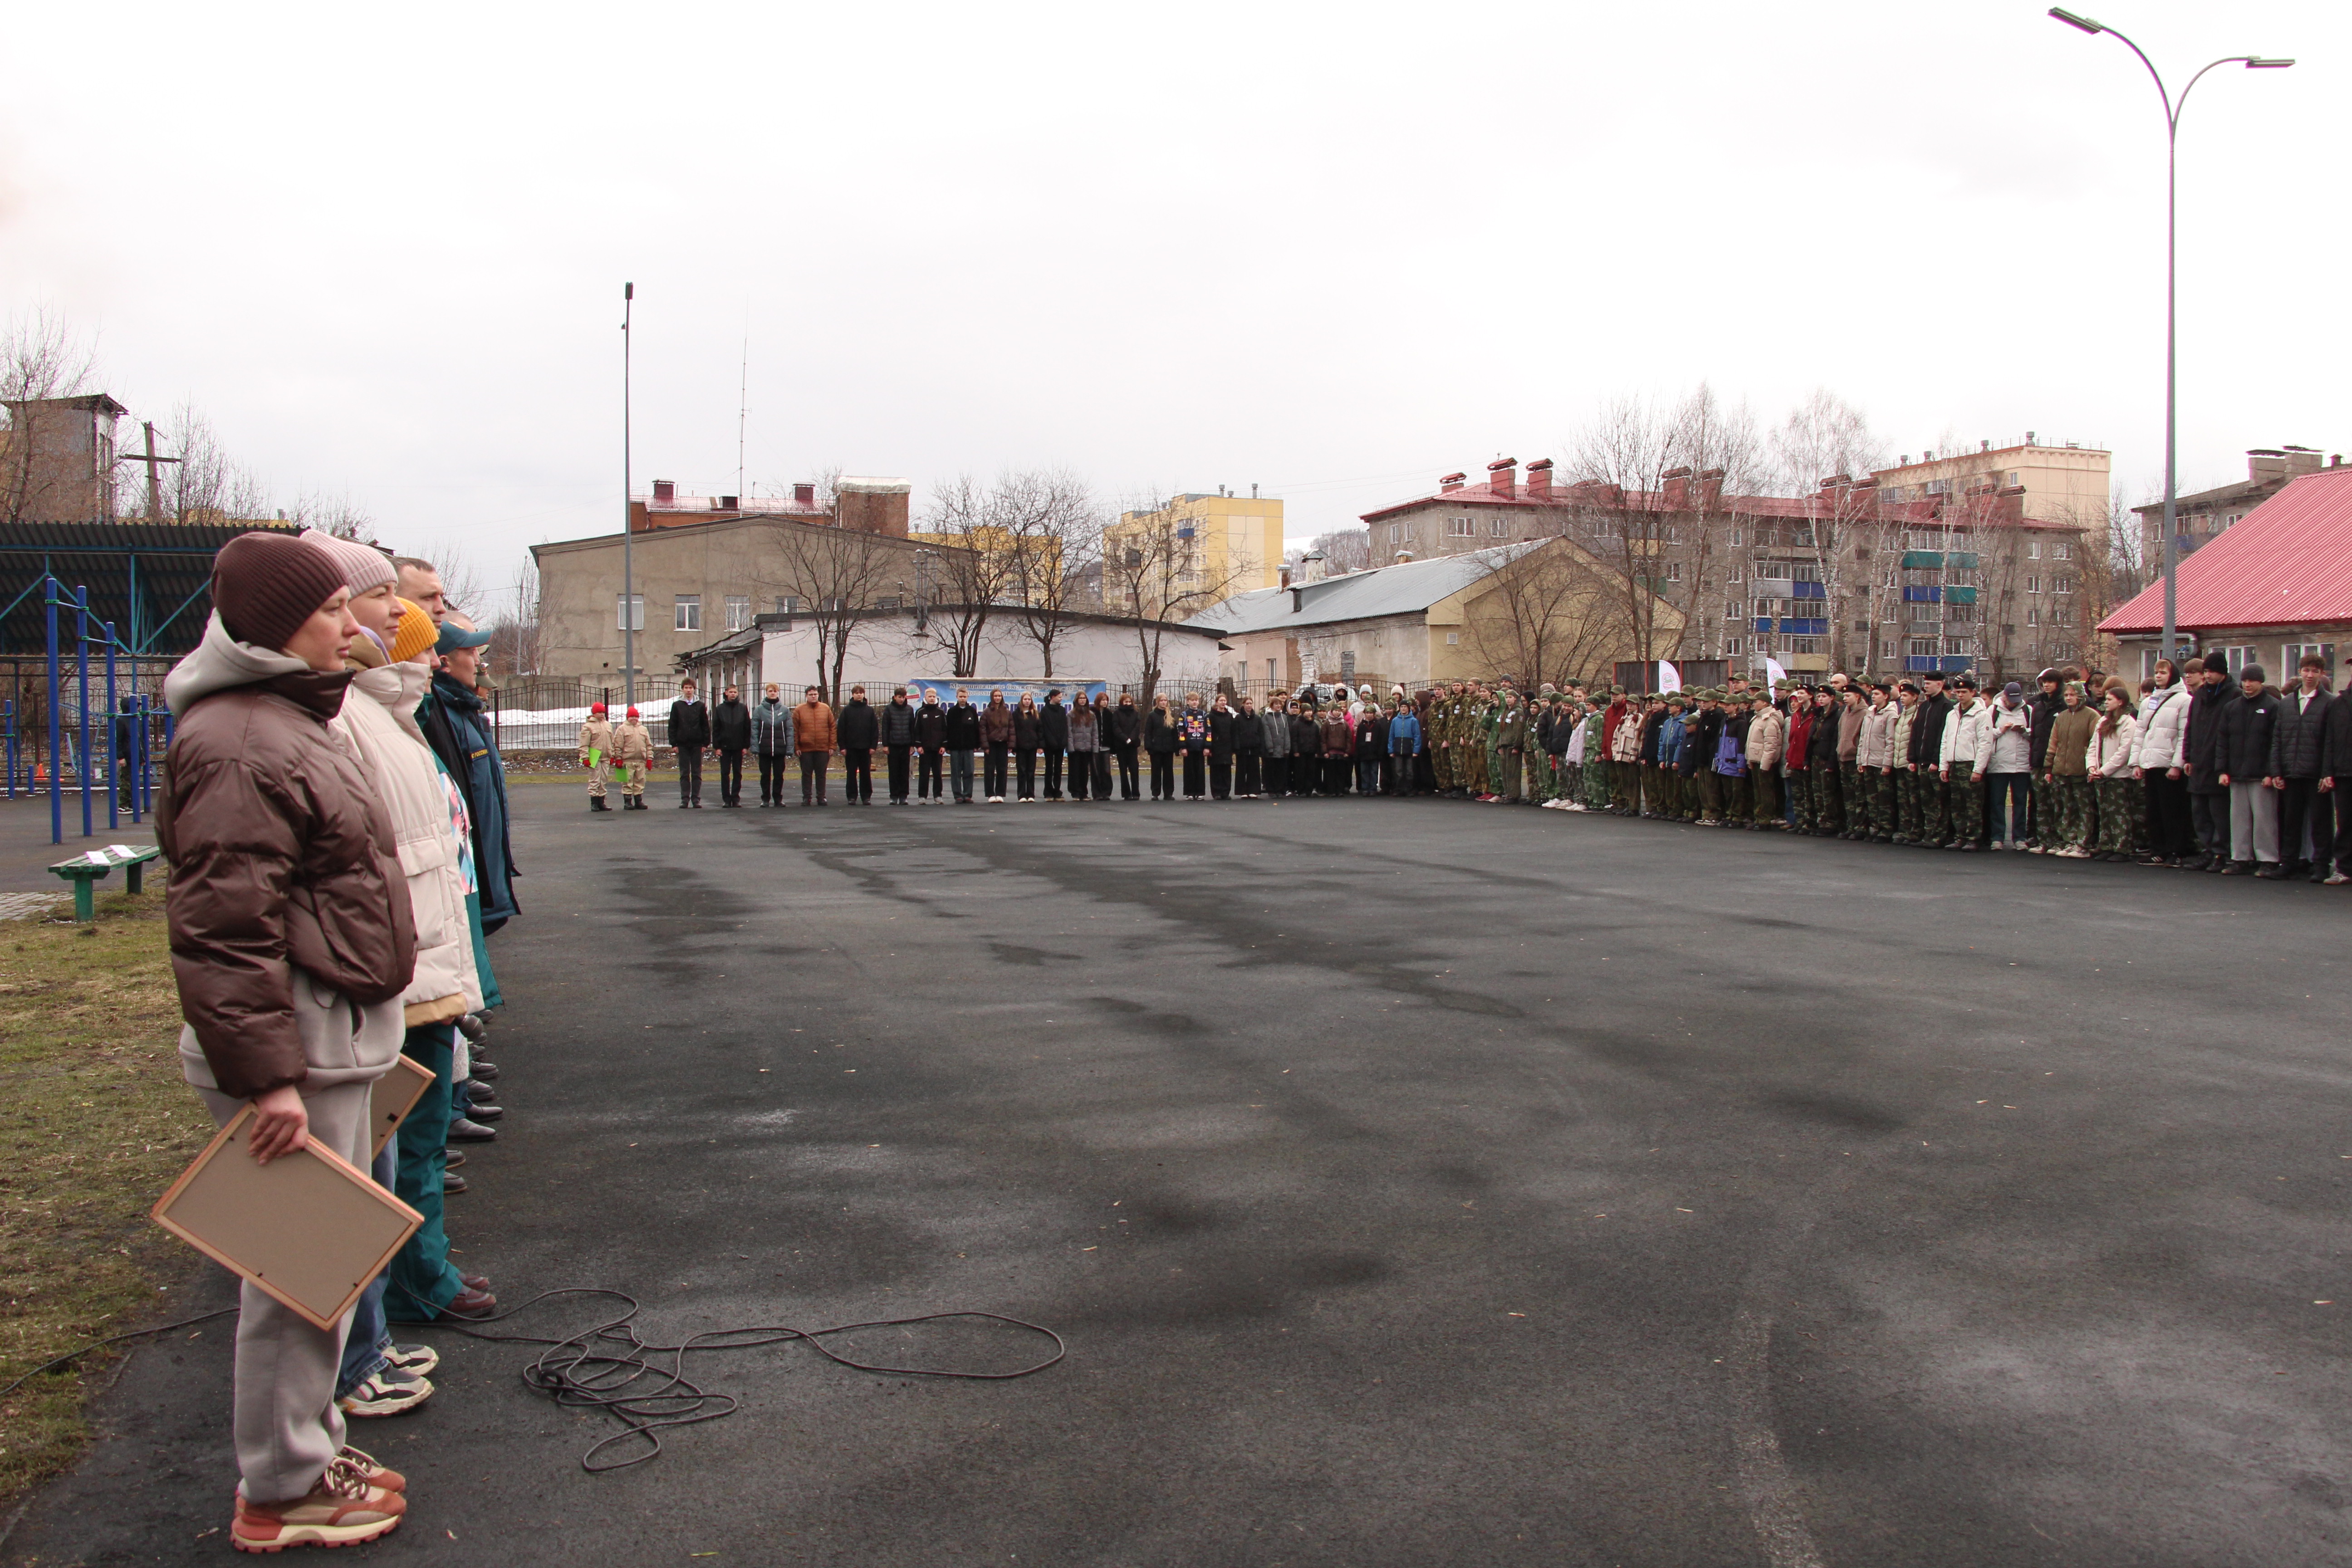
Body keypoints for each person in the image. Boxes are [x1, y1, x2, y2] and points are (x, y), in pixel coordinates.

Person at [159, 532, 415, 1550]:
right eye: (331, 611)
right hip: (296, 1055)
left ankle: (304, 1448)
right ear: (275, 625)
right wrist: (270, 1082)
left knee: (324, 1269)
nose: (353, 626)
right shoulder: (240, 740)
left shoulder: (282, 719)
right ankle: (282, 1488)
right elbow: (226, 930)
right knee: (300, 1276)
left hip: (322, 1041)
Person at [419, 616, 517, 929]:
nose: (479, 662)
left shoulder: (464, 712)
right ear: (445, 662)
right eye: (470, 652)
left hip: (483, 879)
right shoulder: (439, 715)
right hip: (468, 881)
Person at [2269, 653, 2334, 881]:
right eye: (2306, 670)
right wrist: (2277, 771)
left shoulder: (2330, 702)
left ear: (2322, 674)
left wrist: (2327, 773)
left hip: (2316, 774)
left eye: (2315, 671)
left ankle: (2321, 866)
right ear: (2299, 672)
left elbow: (2331, 742)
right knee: (2291, 822)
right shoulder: (2287, 703)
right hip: (2291, 771)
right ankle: (2288, 863)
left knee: (2321, 823)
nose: (2310, 675)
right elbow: (2278, 738)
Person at [2215, 663, 2283, 874]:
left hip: (2260, 775)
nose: (2247, 685)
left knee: (2264, 819)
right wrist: (2222, 770)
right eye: (2244, 680)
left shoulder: (2273, 706)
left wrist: (2271, 772)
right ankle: (2240, 858)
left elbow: (2275, 742)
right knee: (2238, 819)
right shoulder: (2232, 708)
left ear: (2261, 681)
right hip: (2236, 773)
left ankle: (2268, 859)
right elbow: (2223, 741)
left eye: (2252, 680)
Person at [2132, 660, 2195, 865]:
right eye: (2156, 672)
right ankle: (2158, 849)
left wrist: (2177, 765)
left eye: (2163, 673)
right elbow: (2140, 733)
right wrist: (2136, 762)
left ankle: (2176, 850)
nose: (2158, 676)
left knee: (2173, 811)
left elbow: (2184, 735)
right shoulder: (2148, 702)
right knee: (2154, 810)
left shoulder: (2184, 700)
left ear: (2172, 675)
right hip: (2151, 763)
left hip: (2169, 765)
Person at [2183, 655, 2234, 866]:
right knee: (2200, 812)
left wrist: (2225, 765)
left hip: (2218, 763)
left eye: (2212, 671)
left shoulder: (2233, 695)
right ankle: (2207, 850)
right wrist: (2187, 756)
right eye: (2206, 671)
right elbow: (2191, 728)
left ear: (2223, 672)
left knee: (2219, 813)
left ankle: (2221, 852)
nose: (2208, 675)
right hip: (2198, 762)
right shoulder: (2200, 696)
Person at [2086, 681, 2142, 862]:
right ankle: (2107, 844)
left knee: (2120, 812)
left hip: (2119, 777)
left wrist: (2104, 771)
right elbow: (2093, 746)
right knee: (2105, 813)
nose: (2106, 702)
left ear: (2121, 702)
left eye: (2110, 699)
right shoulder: (2103, 721)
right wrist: (2092, 767)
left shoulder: (2129, 723)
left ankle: (2122, 847)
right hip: (2101, 775)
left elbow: (2124, 753)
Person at [1980, 681, 2035, 850]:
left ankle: (2020, 837)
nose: (2013, 703)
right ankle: (1997, 837)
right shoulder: (1993, 711)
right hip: (1999, 762)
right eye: (2011, 699)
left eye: (2016, 700)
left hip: (2021, 763)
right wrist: (2001, 730)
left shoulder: (2028, 710)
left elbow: (2035, 734)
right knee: (1997, 802)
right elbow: (1985, 735)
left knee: (2020, 802)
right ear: (2004, 696)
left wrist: (2024, 731)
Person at [1908, 672, 1955, 847]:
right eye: (1925, 683)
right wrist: (1913, 758)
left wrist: (1936, 761)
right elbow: (1916, 733)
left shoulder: (1946, 707)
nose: (1925, 687)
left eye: (1929, 684)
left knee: (1939, 801)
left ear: (1940, 685)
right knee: (1926, 800)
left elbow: (1943, 736)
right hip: (1922, 761)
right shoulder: (1924, 706)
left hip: (1935, 762)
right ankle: (1928, 833)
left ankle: (1940, 836)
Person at [1744, 691, 1785, 828]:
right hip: (1756, 760)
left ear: (1765, 703)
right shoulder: (1757, 719)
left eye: (1756, 701)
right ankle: (1759, 817)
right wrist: (1749, 759)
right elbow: (1751, 742)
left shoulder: (1770, 721)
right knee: (1758, 792)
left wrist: (1766, 764)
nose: (1753, 704)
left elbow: (1771, 745)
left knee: (1765, 792)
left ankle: (1765, 819)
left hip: (1764, 762)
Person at [668, 678, 710, 808]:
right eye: (686, 688)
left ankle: (696, 799)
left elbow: (705, 725)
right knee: (684, 773)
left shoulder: (700, 705)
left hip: (697, 744)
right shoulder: (677, 705)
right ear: (683, 689)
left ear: (694, 689)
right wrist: (674, 743)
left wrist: (705, 743)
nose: (689, 690)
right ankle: (685, 799)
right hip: (683, 744)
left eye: (691, 688)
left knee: (697, 773)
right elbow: (673, 725)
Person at [751, 683, 795, 806]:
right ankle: (765, 799)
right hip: (764, 748)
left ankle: (778, 798)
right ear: (767, 693)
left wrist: (789, 748)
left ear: (778, 693)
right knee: (765, 775)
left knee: (779, 775)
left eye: (775, 691)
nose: (773, 693)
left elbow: (789, 730)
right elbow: (754, 729)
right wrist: (755, 746)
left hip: (779, 748)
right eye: (771, 691)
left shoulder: (785, 710)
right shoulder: (759, 710)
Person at [794, 684, 836, 806]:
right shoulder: (799, 710)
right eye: (811, 695)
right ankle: (807, 797)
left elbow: (833, 728)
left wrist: (832, 746)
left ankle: (821, 797)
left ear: (819, 695)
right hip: (805, 749)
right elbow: (795, 730)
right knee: (806, 774)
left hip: (823, 748)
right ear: (806, 696)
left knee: (821, 774)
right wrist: (797, 747)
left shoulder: (826, 709)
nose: (813, 696)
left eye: (815, 694)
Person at [710, 684, 751, 807]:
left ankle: (736, 798)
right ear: (726, 693)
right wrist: (717, 747)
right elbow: (716, 729)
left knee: (737, 773)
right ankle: (727, 799)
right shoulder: (720, 709)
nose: (733, 694)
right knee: (725, 773)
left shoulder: (743, 708)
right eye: (731, 692)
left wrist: (746, 746)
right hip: (725, 747)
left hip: (739, 746)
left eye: (735, 692)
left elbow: (747, 728)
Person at [837, 684, 878, 805]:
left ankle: (866, 797)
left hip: (866, 748)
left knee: (866, 773)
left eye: (861, 693)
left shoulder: (869, 711)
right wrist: (842, 747)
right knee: (851, 773)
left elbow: (875, 730)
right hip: (851, 748)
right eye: (856, 693)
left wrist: (873, 746)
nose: (859, 695)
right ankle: (852, 797)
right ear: (853, 695)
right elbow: (841, 730)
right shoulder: (847, 711)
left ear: (864, 695)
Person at [880, 686, 917, 804]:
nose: (902, 699)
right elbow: (885, 728)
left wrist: (912, 745)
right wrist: (885, 745)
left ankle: (904, 796)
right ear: (895, 697)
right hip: (893, 745)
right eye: (900, 697)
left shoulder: (909, 710)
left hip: (906, 745)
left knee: (905, 772)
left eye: (904, 697)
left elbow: (912, 728)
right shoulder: (889, 709)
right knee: (894, 772)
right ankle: (894, 796)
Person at [945, 687, 982, 804]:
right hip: (955, 747)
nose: (962, 699)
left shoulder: (972, 711)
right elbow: (947, 730)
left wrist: (977, 744)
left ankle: (967, 795)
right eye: (961, 697)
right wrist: (948, 747)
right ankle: (958, 795)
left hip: (969, 747)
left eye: (964, 697)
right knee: (956, 773)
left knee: (969, 772)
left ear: (968, 697)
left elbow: (976, 729)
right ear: (957, 697)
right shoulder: (952, 712)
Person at [611, 705, 653, 808]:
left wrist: (649, 759)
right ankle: (628, 802)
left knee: (640, 781)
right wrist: (618, 759)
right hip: (627, 761)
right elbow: (618, 746)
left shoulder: (643, 729)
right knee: (627, 782)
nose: (634, 719)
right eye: (632, 717)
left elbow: (648, 745)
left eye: (636, 717)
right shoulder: (622, 729)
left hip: (641, 761)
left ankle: (639, 801)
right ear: (628, 717)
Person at [577, 701, 614, 812]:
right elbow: (584, 744)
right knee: (595, 780)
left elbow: (612, 742)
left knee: (604, 780)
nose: (602, 715)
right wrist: (585, 757)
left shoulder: (608, 725)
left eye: (603, 713)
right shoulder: (588, 727)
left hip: (606, 757)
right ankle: (594, 802)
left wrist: (613, 755)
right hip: (595, 758)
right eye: (599, 713)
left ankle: (602, 802)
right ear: (594, 713)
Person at [913, 688, 948, 803]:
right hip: (925, 749)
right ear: (925, 697)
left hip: (938, 749)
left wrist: (944, 746)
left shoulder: (941, 712)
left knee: (938, 774)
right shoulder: (920, 712)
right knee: (924, 774)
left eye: (934, 697)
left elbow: (945, 730)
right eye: (930, 697)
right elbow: (916, 731)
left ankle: (938, 795)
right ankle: (922, 796)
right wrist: (918, 746)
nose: (932, 699)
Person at [1107, 691, 1142, 800]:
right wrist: (1125, 738)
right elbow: (1116, 728)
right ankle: (1126, 794)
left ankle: (1136, 793)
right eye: (1125, 702)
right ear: (1122, 702)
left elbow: (1137, 727)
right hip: (1121, 746)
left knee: (1134, 769)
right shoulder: (1117, 714)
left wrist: (1131, 739)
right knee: (1123, 770)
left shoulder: (1136, 713)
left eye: (1129, 702)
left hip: (1132, 746)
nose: (1128, 704)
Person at [980, 689, 1013, 802]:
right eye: (995, 696)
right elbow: (982, 729)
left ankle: (1000, 793)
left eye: (999, 696)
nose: (998, 698)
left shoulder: (1007, 712)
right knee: (989, 770)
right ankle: (990, 794)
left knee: (1002, 769)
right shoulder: (987, 712)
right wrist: (985, 746)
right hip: (991, 745)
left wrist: (1011, 744)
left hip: (1003, 744)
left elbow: (1011, 729)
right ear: (992, 697)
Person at [1066, 692, 1099, 801]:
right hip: (1075, 748)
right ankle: (1075, 792)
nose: (1082, 700)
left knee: (1085, 772)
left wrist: (1095, 747)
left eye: (1084, 698)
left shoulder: (1091, 715)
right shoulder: (1071, 715)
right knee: (1075, 771)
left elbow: (1095, 733)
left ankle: (1084, 793)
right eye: (1080, 698)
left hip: (1087, 748)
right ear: (1076, 700)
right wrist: (1071, 747)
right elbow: (1069, 732)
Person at [1144, 694, 1178, 800]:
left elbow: (1175, 733)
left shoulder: (1170, 716)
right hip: (1156, 749)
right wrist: (1149, 747)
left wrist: (1176, 748)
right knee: (1156, 771)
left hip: (1168, 749)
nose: (1164, 703)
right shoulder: (1152, 716)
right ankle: (1155, 793)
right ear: (1158, 702)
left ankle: (1169, 793)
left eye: (1165, 701)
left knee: (1169, 772)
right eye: (1162, 701)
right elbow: (1148, 732)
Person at [1178, 692, 1210, 799]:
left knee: (1200, 771)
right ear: (1188, 702)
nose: (1195, 702)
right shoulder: (1184, 715)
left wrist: (1207, 746)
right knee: (1189, 771)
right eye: (1192, 700)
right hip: (1189, 748)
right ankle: (1190, 793)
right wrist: (1183, 747)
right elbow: (1181, 732)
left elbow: (1209, 731)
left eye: (1196, 700)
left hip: (1201, 747)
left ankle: (1200, 792)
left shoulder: (1204, 715)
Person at [1259, 696, 1292, 801]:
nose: (1278, 706)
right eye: (1276, 704)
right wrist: (1270, 748)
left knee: (1281, 771)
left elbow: (1286, 734)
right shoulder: (1266, 718)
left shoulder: (1284, 717)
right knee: (1271, 771)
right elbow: (1267, 734)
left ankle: (1280, 790)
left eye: (1280, 704)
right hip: (1272, 750)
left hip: (1282, 749)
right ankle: (1272, 790)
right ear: (1272, 705)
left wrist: (1287, 749)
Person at [1040, 689, 1070, 800]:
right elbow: (1044, 728)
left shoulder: (1062, 710)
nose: (1061, 699)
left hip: (1060, 744)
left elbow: (1064, 727)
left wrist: (1063, 741)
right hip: (1049, 745)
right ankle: (1048, 791)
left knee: (1058, 768)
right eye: (1059, 697)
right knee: (1049, 768)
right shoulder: (1045, 711)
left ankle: (1057, 791)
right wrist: (1048, 741)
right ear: (1053, 697)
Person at [1387, 698, 1421, 797]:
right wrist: (1391, 750)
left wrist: (1416, 750)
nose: (1403, 709)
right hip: (1398, 749)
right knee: (1399, 771)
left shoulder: (1413, 721)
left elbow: (1417, 736)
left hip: (1409, 750)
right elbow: (1391, 736)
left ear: (1409, 708)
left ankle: (1409, 789)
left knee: (1409, 771)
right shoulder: (1395, 721)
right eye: (1402, 707)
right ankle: (1399, 789)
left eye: (1405, 707)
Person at [1011, 693, 1042, 801]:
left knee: (1031, 771)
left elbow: (1040, 730)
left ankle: (1031, 794)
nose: (1027, 701)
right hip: (1021, 746)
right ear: (1022, 700)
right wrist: (1014, 747)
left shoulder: (1035, 714)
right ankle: (1022, 795)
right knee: (1022, 771)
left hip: (1032, 746)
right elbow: (1013, 731)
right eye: (1025, 699)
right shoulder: (1016, 714)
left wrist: (1040, 746)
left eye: (1029, 699)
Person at [1206, 693, 1237, 801]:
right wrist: (1209, 747)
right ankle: (1217, 793)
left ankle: (1225, 792)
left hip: (1227, 747)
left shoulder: (1229, 716)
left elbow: (1233, 732)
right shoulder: (1211, 716)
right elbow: (1209, 732)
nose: (1223, 703)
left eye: (1225, 701)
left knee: (1226, 771)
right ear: (1217, 703)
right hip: (1215, 747)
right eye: (1221, 701)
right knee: (1216, 771)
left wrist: (1233, 747)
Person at [1234, 694, 1265, 798]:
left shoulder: (1257, 719)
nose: (1249, 706)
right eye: (1247, 704)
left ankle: (1253, 790)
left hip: (1254, 748)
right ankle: (1242, 791)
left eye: (1251, 703)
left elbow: (1261, 733)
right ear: (1243, 705)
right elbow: (1236, 734)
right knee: (1242, 770)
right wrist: (1237, 747)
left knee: (1254, 770)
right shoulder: (1238, 718)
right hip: (1242, 749)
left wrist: (1261, 747)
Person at [1090, 693, 1117, 799]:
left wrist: (1112, 746)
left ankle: (1106, 792)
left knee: (1106, 770)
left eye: (1106, 700)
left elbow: (1112, 731)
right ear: (1098, 701)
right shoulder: (1092, 713)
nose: (1105, 702)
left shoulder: (1109, 714)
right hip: (1095, 746)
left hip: (1106, 746)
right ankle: (1097, 793)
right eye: (1103, 700)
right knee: (1096, 771)